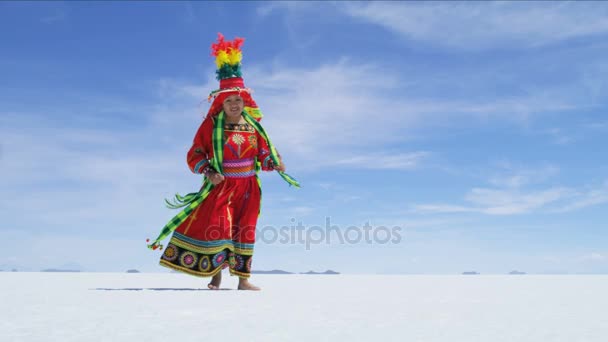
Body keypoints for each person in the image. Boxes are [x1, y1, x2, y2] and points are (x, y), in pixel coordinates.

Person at [147, 33, 299, 291]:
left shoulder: (253, 127)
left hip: (249, 188)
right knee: (220, 229)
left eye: (238, 99)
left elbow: (262, 155)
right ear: (221, 102)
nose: (234, 104)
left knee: (246, 229)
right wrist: (208, 171)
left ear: (245, 101)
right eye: (228, 100)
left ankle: (243, 280)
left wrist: (275, 162)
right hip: (222, 187)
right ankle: (215, 276)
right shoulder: (211, 126)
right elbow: (195, 154)